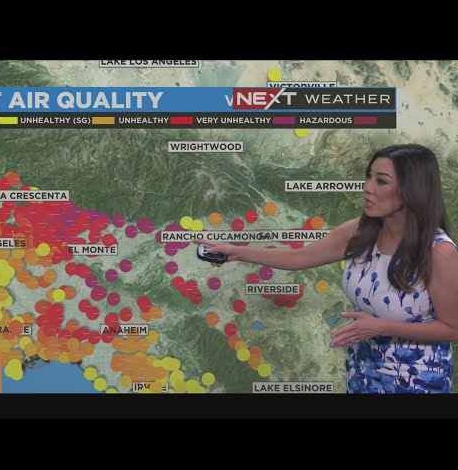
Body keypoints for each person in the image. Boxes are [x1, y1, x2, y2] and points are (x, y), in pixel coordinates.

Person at [195, 144, 458, 393]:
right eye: (368, 177)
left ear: (412, 189)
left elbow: (453, 328)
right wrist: (235, 252)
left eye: (381, 181)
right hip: (362, 370)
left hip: (416, 379)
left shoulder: (439, 253)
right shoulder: (361, 232)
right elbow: (298, 258)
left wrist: (383, 327)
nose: (367, 188)